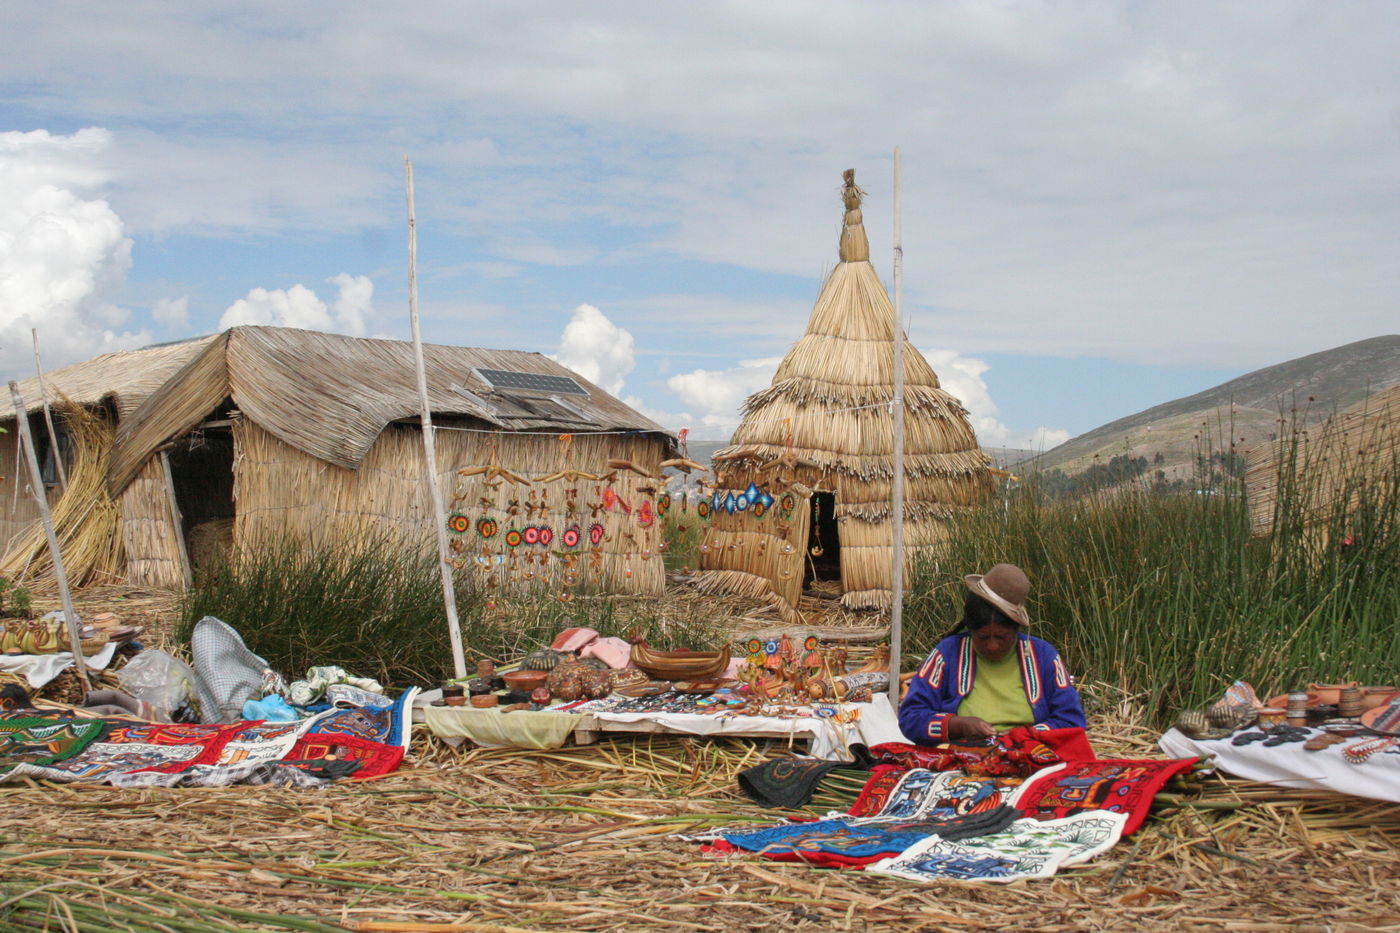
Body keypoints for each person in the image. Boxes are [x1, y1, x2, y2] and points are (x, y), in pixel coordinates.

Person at [899, 563, 1086, 744]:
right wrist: (955, 725)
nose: (993, 646)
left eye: (1002, 637)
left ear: (1015, 630)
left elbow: (1072, 720)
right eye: (983, 637)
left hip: (1030, 752)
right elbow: (910, 717)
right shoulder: (947, 653)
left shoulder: (1043, 656)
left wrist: (1025, 736)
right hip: (961, 756)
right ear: (970, 629)